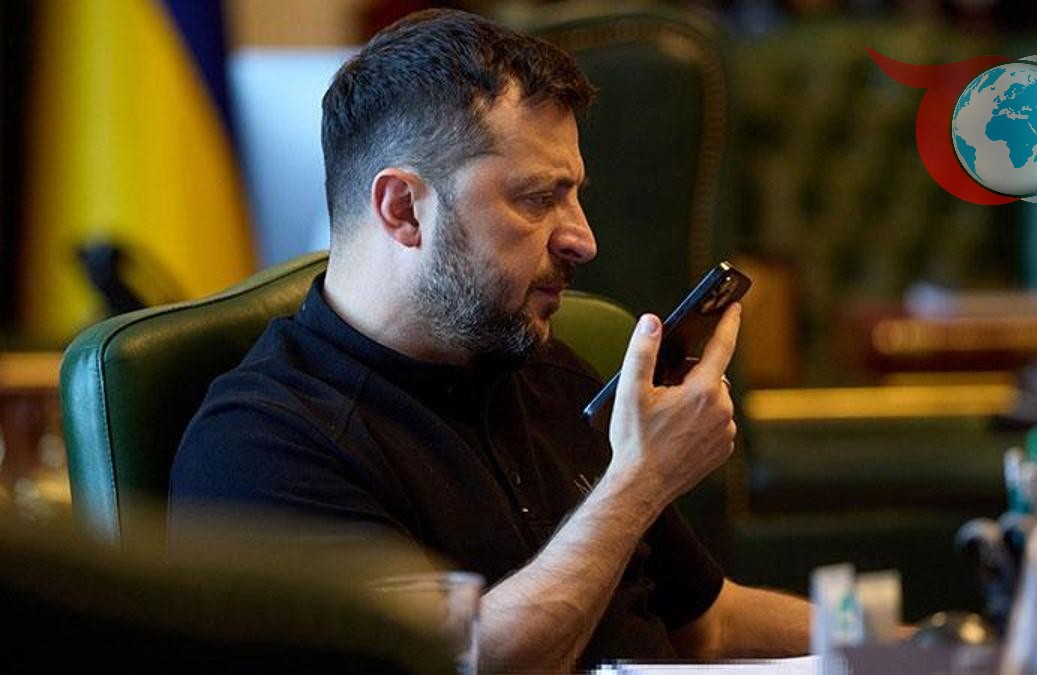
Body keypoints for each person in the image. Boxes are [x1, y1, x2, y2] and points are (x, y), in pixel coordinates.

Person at [170, 8, 812, 670]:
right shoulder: (260, 445)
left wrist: (879, 633)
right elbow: (467, 663)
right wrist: (640, 480)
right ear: (403, 209)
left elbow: (709, 625)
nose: (583, 239)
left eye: (574, 195)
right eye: (537, 198)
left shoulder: (548, 369)